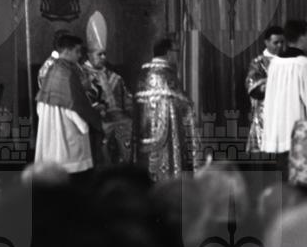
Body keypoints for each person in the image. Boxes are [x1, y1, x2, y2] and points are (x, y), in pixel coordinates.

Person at [34, 34, 102, 176]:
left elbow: (41, 105)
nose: (79, 55)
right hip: (67, 134)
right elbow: (73, 107)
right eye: (77, 51)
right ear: (67, 51)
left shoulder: (53, 69)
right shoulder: (67, 73)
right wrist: (85, 125)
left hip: (51, 128)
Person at [133, 38, 196, 182]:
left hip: (144, 137)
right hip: (165, 140)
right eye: (176, 51)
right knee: (166, 175)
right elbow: (183, 105)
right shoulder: (166, 75)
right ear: (168, 53)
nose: (177, 56)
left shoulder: (143, 75)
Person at [262, 20, 307, 177]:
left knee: (283, 180)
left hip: (278, 132)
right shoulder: (306, 65)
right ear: (302, 36)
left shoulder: (275, 64)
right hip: (300, 135)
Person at [82, 11, 133, 166]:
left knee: (129, 127)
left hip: (119, 120)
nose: (104, 58)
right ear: (89, 55)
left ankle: (125, 169)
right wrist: (99, 109)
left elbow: (127, 100)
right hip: (98, 121)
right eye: (100, 54)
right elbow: (83, 102)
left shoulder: (115, 77)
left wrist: (132, 107)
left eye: (105, 54)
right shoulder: (82, 75)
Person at [245, 26, 285, 154]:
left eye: (282, 42)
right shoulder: (258, 62)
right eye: (275, 42)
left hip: (284, 111)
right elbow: (252, 86)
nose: (279, 46)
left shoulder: (287, 61)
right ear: (266, 42)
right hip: (265, 113)